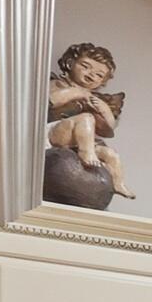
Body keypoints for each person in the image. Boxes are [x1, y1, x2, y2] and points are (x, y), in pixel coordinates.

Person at [47, 42, 135, 199]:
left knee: (111, 154)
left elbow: (108, 130)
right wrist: (75, 92)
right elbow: (49, 100)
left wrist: (103, 109)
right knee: (86, 118)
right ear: (70, 63)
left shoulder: (93, 98)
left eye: (99, 75)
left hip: (75, 143)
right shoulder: (58, 84)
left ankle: (118, 183)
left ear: (102, 82)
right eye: (85, 66)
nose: (92, 74)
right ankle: (87, 153)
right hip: (52, 133)